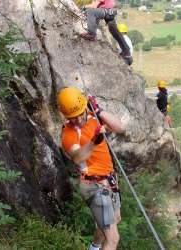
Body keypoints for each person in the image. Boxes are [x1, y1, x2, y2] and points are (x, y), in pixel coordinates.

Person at [58, 87, 124, 250]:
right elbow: (77, 157)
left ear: (86, 106)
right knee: (113, 239)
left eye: (80, 114)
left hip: (109, 180)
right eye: (73, 117)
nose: (78, 120)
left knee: (115, 220)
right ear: (67, 117)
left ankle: (94, 247)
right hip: (94, 185)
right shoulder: (68, 134)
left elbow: (120, 128)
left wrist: (99, 110)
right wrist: (95, 141)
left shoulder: (94, 117)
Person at [80, 0, 132, 65]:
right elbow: (96, 7)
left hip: (108, 11)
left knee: (91, 11)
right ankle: (127, 53)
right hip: (110, 11)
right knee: (113, 30)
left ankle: (91, 34)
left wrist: (83, 7)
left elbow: (94, 6)